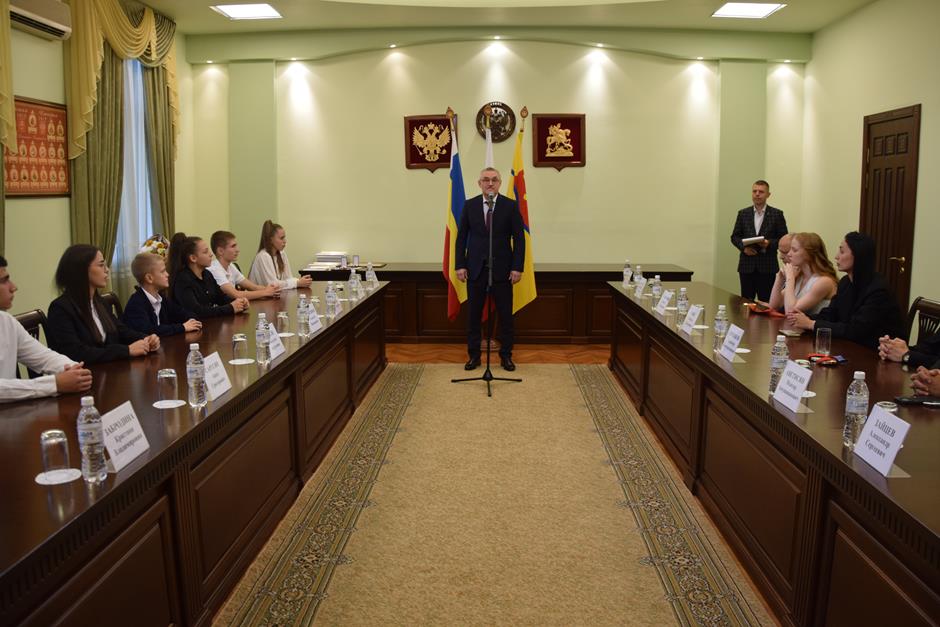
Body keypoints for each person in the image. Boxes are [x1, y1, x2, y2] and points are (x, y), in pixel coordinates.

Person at [455, 167, 525, 371]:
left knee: (505, 316)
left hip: (503, 269)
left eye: (494, 179)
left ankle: (506, 356)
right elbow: (461, 238)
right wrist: (460, 264)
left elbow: (519, 240)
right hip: (475, 269)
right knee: (473, 316)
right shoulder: (470, 205)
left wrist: (517, 267)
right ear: (479, 184)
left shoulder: (510, 206)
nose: (490, 183)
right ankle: (474, 356)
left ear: (500, 183)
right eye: (486, 180)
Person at [787, 232, 903, 348]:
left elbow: (856, 330)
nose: (836, 256)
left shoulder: (878, 291)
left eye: (842, 252)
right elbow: (830, 314)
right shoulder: (845, 282)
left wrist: (811, 324)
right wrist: (803, 319)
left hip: (874, 351)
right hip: (849, 346)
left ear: (858, 256)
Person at [0, 255, 92, 402]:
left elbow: (43, 356)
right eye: (4, 281)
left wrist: (73, 369)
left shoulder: (6, 321)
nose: (13, 287)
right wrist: (54, 384)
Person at [46, 245, 160, 364]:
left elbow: (120, 330)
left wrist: (146, 339)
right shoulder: (60, 309)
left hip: (109, 369)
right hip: (84, 373)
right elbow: (76, 353)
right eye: (101, 265)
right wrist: (126, 350)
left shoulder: (100, 302)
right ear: (81, 270)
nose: (107, 270)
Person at [730, 180, 789, 302]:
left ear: (768, 195)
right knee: (746, 302)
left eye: (761, 192)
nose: (757, 194)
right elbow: (735, 236)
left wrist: (768, 243)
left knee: (766, 301)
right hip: (747, 265)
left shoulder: (777, 214)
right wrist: (744, 248)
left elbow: (784, 239)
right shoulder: (743, 213)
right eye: (754, 191)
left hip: (767, 266)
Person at [168, 233, 249, 318]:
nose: (211, 254)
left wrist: (239, 302)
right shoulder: (183, 280)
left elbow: (221, 297)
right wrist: (230, 308)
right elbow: (197, 311)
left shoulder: (207, 274)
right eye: (205, 252)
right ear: (193, 258)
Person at [123, 253, 203, 337]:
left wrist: (192, 320)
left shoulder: (161, 298)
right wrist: (182, 327)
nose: (167, 274)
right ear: (149, 278)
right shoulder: (136, 304)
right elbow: (149, 331)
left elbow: (181, 313)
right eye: (163, 271)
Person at [768, 232, 838, 315]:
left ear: (809, 254)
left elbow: (790, 312)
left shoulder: (824, 281)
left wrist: (790, 278)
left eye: (794, 250)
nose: (789, 254)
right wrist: (779, 278)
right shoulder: (800, 276)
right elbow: (773, 306)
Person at [208, 231, 281, 300]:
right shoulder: (214, 269)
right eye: (233, 246)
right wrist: (266, 292)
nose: (237, 250)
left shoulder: (231, 266)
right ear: (220, 251)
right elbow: (236, 294)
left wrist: (272, 289)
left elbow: (253, 287)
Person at [248, 220, 313, 290]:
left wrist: (300, 281)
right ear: (271, 240)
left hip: (274, 295)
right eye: (281, 238)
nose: (285, 241)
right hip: (259, 296)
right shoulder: (263, 256)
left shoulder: (282, 253)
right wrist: (297, 283)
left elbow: (288, 278)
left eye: (284, 237)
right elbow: (272, 285)